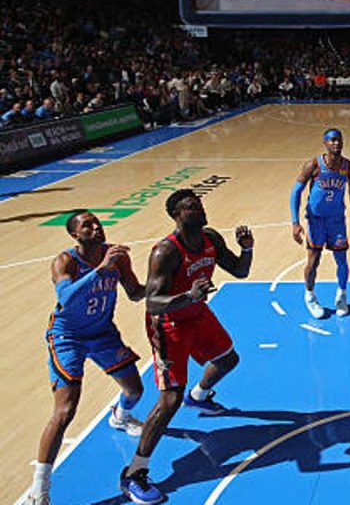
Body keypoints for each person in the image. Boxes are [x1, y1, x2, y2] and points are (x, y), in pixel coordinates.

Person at [119, 190, 254, 505]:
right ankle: (134, 473)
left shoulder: (210, 238)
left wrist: (246, 249)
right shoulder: (166, 251)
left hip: (196, 314)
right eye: (192, 206)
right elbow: (151, 302)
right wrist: (189, 296)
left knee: (228, 358)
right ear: (177, 215)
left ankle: (200, 396)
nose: (201, 208)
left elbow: (240, 270)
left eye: (200, 203)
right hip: (168, 325)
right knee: (169, 399)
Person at [26, 211, 146, 505]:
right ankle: (38, 490)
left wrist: (167, 280)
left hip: (103, 332)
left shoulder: (117, 257)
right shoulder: (65, 261)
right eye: (87, 225)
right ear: (74, 235)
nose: (96, 227)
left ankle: (120, 416)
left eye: (97, 222)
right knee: (65, 411)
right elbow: (66, 297)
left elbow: (134, 292)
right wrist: (101, 270)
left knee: (135, 389)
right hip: (68, 337)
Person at [290, 128, 350, 317]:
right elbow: (296, 192)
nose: (336, 143)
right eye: (332, 140)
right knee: (314, 260)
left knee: (342, 260)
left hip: (337, 220)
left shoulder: (349, 167)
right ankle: (310, 296)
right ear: (325, 143)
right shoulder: (313, 165)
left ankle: (342, 295)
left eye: (339, 140)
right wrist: (295, 222)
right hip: (316, 221)